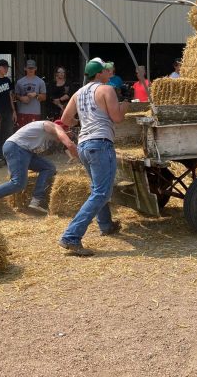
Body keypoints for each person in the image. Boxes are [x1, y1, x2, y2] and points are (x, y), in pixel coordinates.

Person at [58, 57, 130, 257]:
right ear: (99, 74)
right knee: (101, 193)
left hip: (84, 145)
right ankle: (71, 236)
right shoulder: (106, 90)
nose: (109, 74)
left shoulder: (78, 93)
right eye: (106, 71)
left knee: (98, 189)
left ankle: (106, 225)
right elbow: (117, 118)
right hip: (100, 143)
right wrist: (126, 103)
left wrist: (83, 123)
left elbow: (65, 119)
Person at [0, 119, 77, 217]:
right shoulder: (52, 126)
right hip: (16, 148)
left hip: (25, 151)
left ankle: (37, 200)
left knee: (49, 167)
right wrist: (78, 154)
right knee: (18, 183)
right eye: (66, 133)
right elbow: (69, 144)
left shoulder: (48, 134)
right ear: (62, 130)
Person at [15, 59, 47, 127]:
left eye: (32, 68)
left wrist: (36, 94)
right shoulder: (19, 82)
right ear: (25, 68)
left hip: (35, 112)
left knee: (34, 135)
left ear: (36, 68)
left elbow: (44, 97)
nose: (30, 69)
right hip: (22, 112)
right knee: (22, 134)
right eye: (29, 68)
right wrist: (21, 98)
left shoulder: (41, 82)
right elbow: (15, 96)